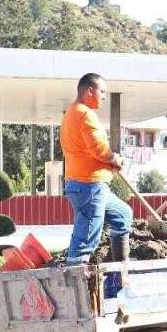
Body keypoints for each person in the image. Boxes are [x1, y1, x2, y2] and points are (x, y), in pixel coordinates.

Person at [60, 73, 132, 264]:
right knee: (85, 240)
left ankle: (120, 274)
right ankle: (75, 286)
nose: (104, 97)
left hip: (88, 184)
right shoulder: (85, 114)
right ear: (89, 90)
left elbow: (87, 150)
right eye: (102, 92)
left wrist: (107, 164)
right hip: (89, 185)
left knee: (122, 215)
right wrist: (114, 158)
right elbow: (98, 149)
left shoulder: (71, 113)